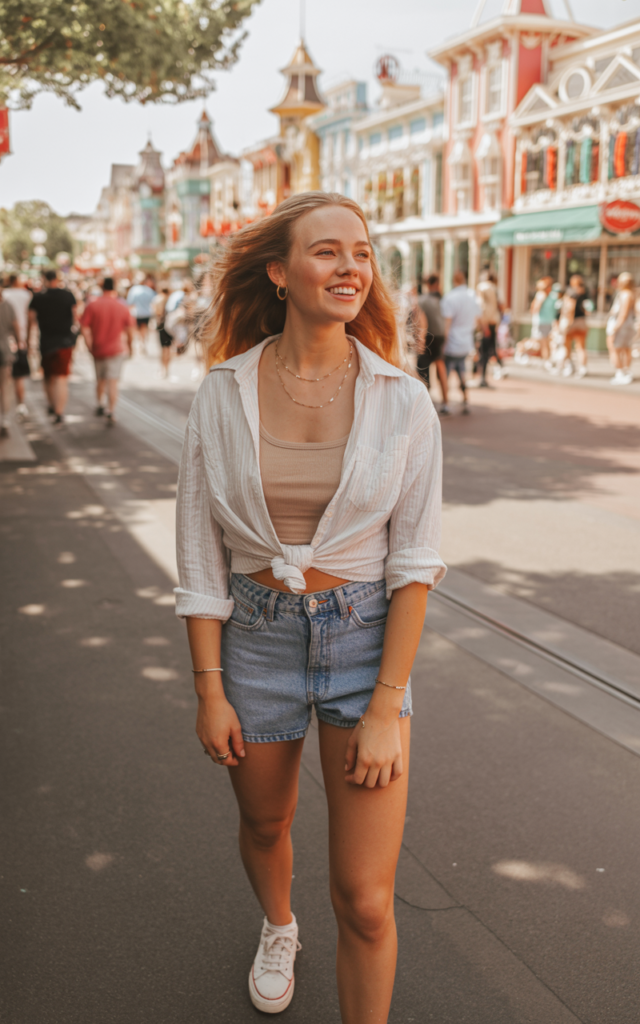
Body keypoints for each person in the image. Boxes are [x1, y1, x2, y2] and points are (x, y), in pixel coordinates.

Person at [175, 192, 445, 1021]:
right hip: (254, 637)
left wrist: (386, 705)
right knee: (267, 824)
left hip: (364, 642)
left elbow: (414, 564)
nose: (350, 267)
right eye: (327, 251)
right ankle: (279, 925)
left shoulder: (403, 399)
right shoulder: (222, 392)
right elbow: (199, 552)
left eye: (361, 253)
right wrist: (209, 688)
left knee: (365, 900)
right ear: (279, 272)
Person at [81, 276, 134, 425]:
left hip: (98, 348)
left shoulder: (93, 305)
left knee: (100, 379)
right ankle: (110, 410)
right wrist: (130, 347)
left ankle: (100, 404)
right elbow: (130, 330)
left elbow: (84, 327)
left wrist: (89, 345)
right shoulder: (122, 306)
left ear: (102, 287)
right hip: (116, 349)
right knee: (113, 381)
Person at [29, 270, 78, 425]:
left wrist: (28, 342)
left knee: (48, 376)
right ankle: (59, 412)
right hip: (65, 342)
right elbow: (75, 317)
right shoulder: (68, 295)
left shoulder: (38, 297)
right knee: (61, 378)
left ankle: (52, 405)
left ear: (44, 279)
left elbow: (31, 321)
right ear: (56, 279)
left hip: (46, 343)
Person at [440, 269, 482, 414]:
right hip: (466, 343)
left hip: (452, 343)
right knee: (462, 371)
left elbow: (447, 323)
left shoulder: (450, 297)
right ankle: (465, 399)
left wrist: (443, 343)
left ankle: (445, 403)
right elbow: (477, 318)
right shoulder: (472, 296)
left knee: (445, 374)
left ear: (454, 281)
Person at [417, 273, 449, 414]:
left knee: (423, 371)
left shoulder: (422, 300)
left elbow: (421, 321)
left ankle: (424, 404)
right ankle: (446, 402)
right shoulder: (443, 300)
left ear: (428, 285)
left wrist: (420, 340)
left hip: (428, 336)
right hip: (440, 337)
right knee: (441, 367)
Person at [0, 283, 23, 437]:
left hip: (3, 351)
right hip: (4, 350)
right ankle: (4, 419)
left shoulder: (8, 305)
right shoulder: (7, 306)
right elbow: (16, 327)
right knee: (4, 386)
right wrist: (20, 343)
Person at [606, 272, 636, 386]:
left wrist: (616, 327)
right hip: (627, 325)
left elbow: (623, 313)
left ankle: (620, 372)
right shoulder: (631, 293)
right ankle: (625, 371)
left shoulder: (626, 294)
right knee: (626, 349)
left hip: (621, 325)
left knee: (615, 348)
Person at [476, 270, 505, 386]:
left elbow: (480, 307)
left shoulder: (481, 287)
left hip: (484, 322)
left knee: (484, 349)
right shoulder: (496, 289)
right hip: (492, 321)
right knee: (489, 348)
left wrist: (482, 324)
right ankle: (499, 367)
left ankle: (482, 376)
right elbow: (501, 306)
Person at [560, 273, 589, 378]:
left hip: (571, 322)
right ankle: (583, 368)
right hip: (582, 321)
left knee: (567, 346)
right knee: (581, 347)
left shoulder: (571, 292)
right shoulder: (585, 293)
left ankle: (569, 367)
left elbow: (570, 308)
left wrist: (568, 321)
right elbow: (588, 309)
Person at [126, 274, 156, 354]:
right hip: (146, 313)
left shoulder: (134, 290)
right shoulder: (149, 290)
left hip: (136, 313)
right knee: (144, 328)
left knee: (137, 329)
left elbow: (130, 302)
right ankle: (143, 342)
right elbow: (154, 301)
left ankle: (140, 343)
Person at [152, 286, 173, 379]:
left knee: (163, 349)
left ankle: (162, 369)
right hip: (170, 326)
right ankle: (167, 369)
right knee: (168, 348)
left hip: (162, 326)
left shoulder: (159, 299)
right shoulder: (170, 299)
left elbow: (157, 312)